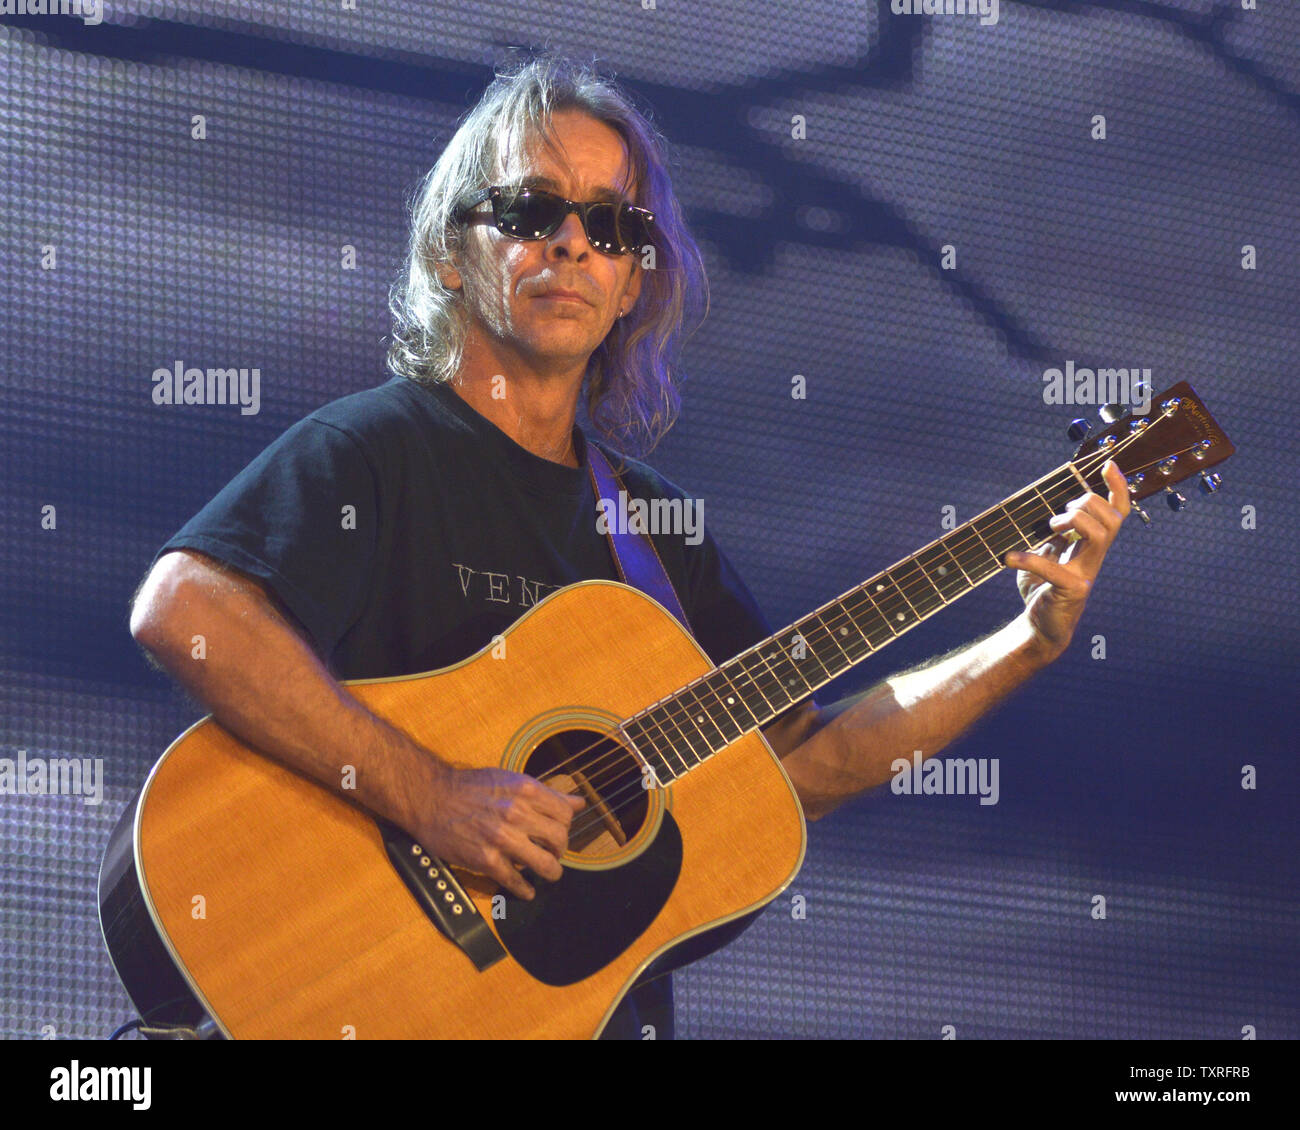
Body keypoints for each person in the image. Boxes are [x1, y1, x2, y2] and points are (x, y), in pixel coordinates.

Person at [128, 56, 1129, 1040]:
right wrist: (429, 794)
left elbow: (799, 762)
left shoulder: (653, 527)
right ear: (448, 250)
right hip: (340, 971)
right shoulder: (375, 448)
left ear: (630, 285)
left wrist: (1025, 644)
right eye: (530, 210)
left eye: (610, 225)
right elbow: (185, 607)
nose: (572, 244)